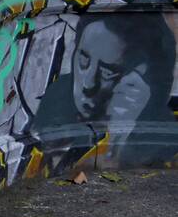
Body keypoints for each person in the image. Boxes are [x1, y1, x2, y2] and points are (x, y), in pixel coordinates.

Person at [30, 11, 178, 171]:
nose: (88, 83)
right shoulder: (54, 108)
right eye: (83, 60)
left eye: (108, 72)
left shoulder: (162, 141)